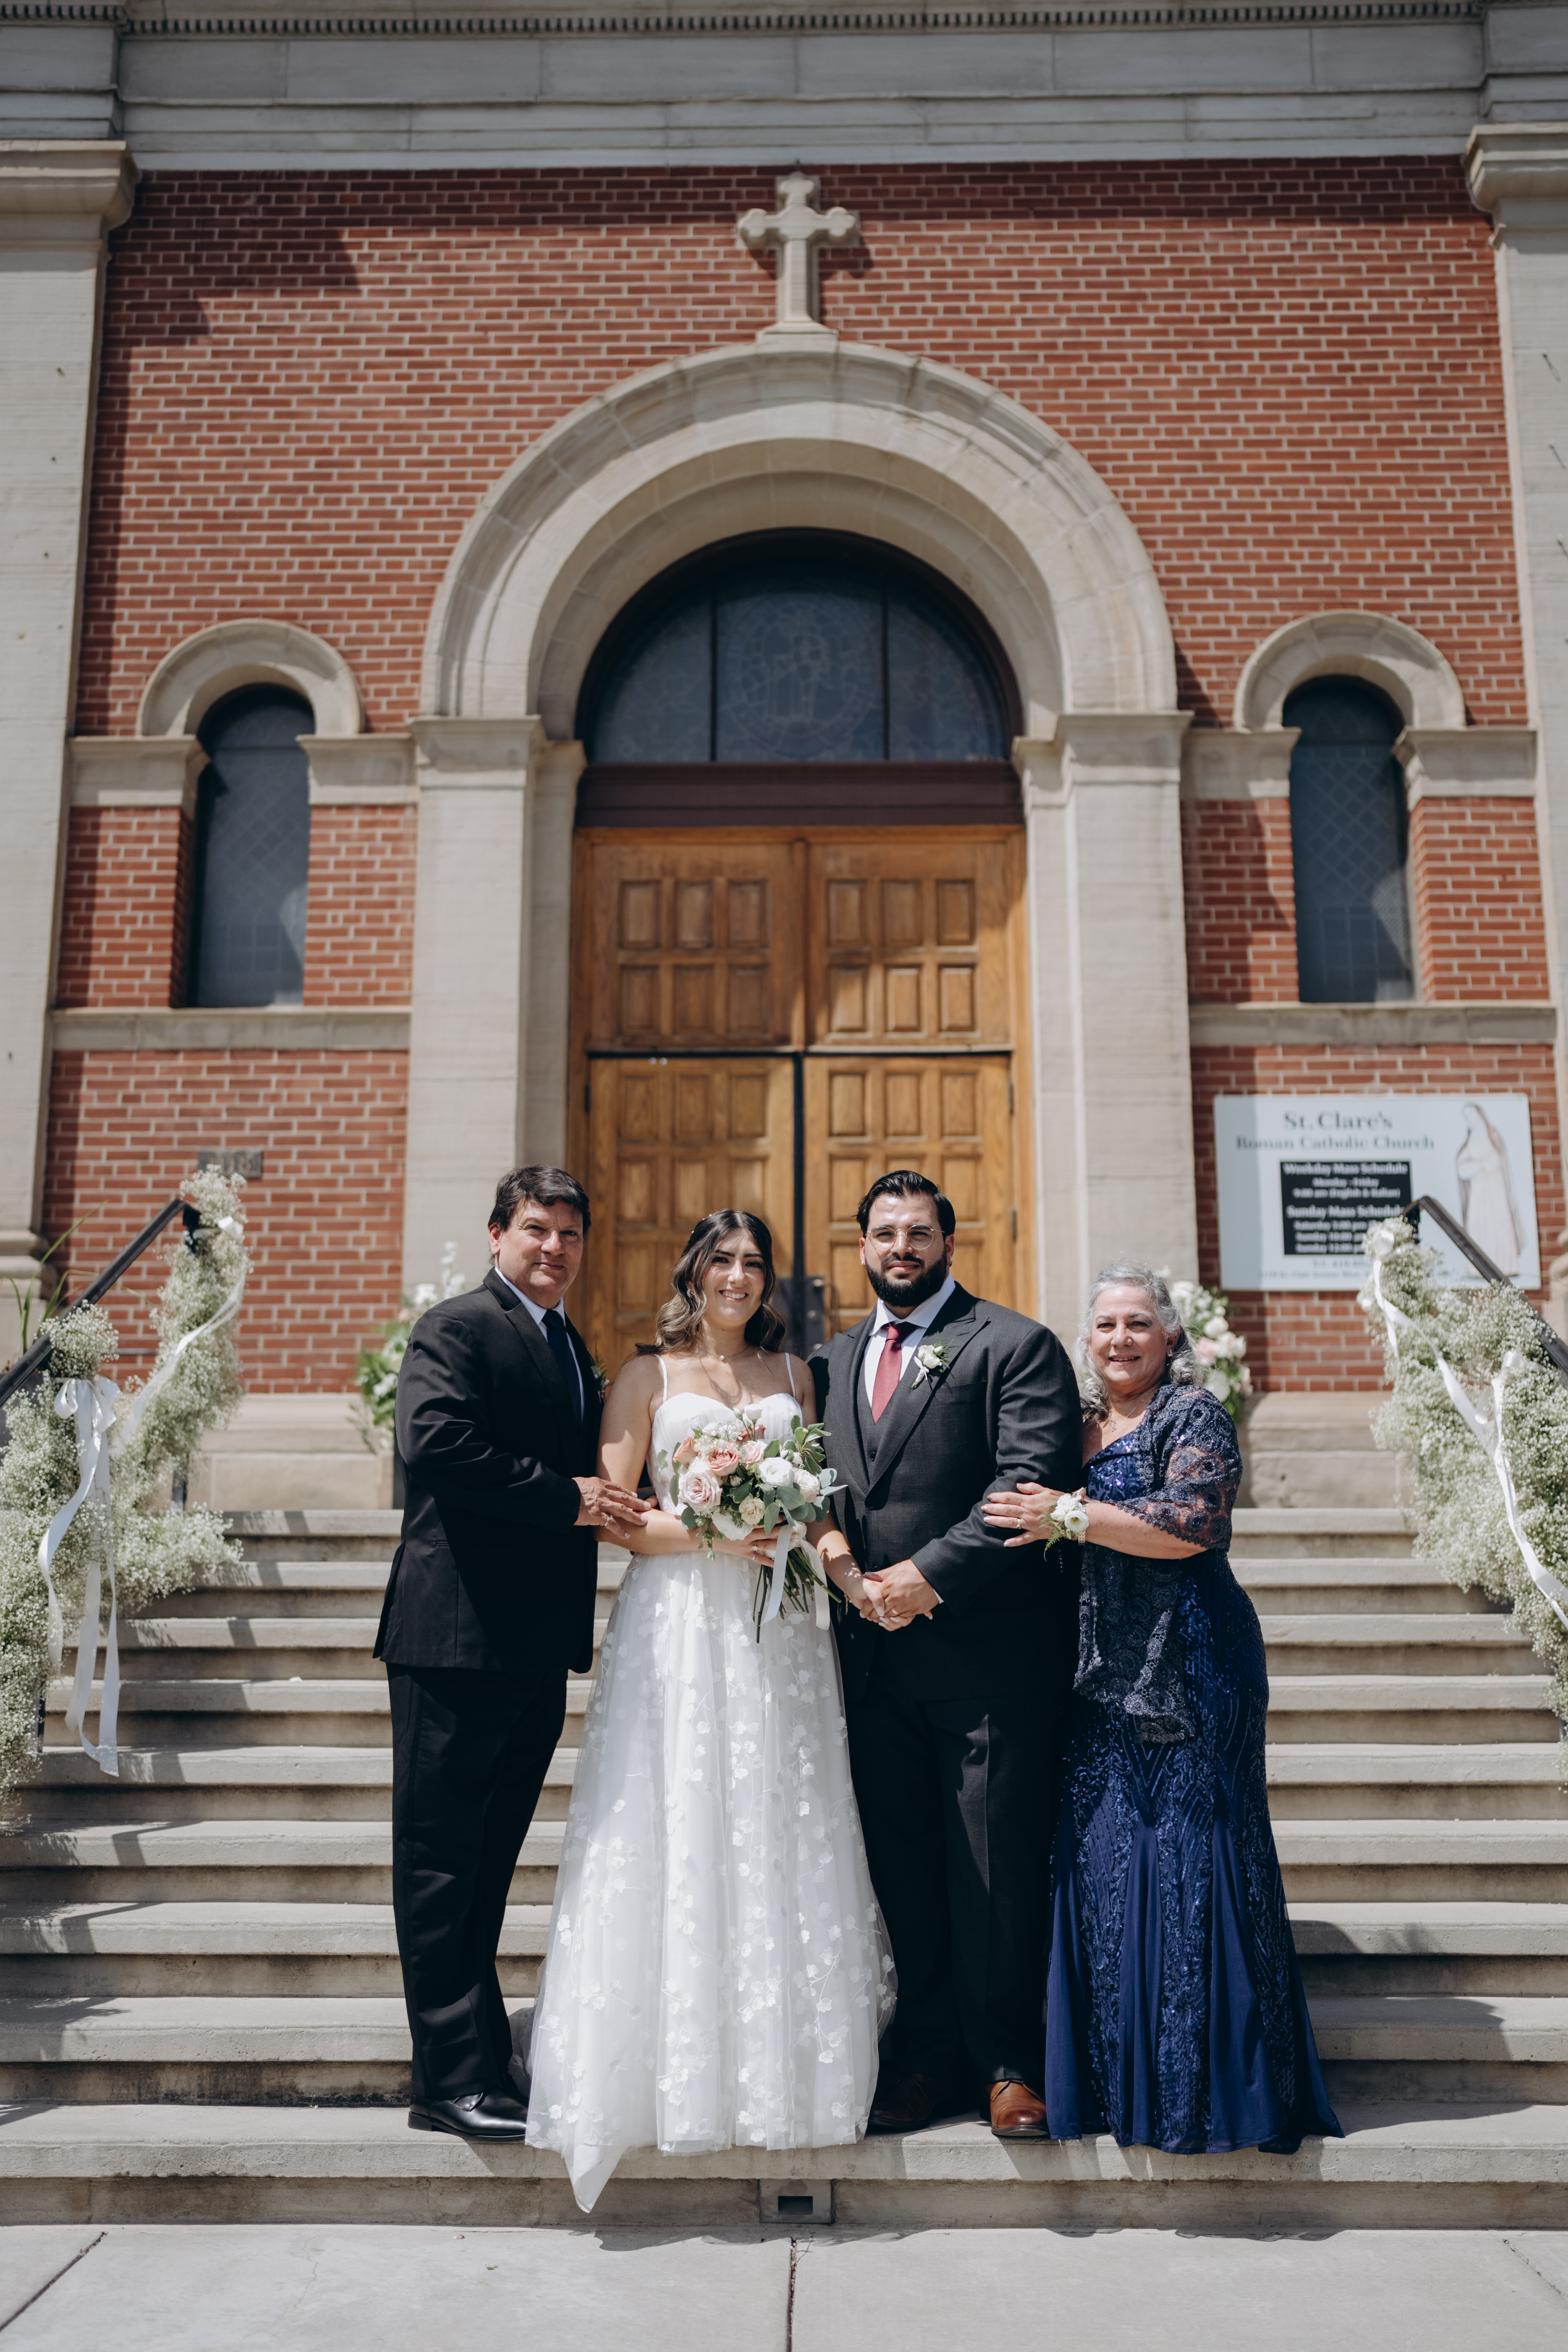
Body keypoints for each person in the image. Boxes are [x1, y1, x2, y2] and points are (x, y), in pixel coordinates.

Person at [526, 1210, 894, 2212]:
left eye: (754, 1263)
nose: (739, 1276)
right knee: (677, 1817)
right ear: (693, 1272)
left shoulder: (795, 1376)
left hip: (783, 1622)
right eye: (722, 1260)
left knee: (779, 1820)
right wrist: (715, 1533)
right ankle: (667, 2075)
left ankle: (783, 2076)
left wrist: (850, 1576)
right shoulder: (646, 1375)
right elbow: (614, 1515)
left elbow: (816, 1507)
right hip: (682, 1622)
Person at [984, 1263, 1343, 2154]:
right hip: (1095, 1678)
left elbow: (1193, 1522)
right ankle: (1119, 2086)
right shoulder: (1073, 1424)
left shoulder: (1193, 1414)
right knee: (1106, 1870)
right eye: (1105, 1324)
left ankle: (1213, 2096)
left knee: (1193, 1864)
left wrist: (1070, 1513)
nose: (1120, 1339)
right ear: (1086, 1337)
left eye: (1138, 1322)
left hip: (1194, 1667)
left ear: (1170, 1334)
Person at [375, 1164, 646, 2141]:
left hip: (530, 1647)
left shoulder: (569, 1344)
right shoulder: (456, 1328)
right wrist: (564, 1495)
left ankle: (483, 2063)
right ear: (497, 1234)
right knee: (442, 1865)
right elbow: (436, 1442)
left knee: (487, 1866)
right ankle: (447, 2081)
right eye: (536, 1229)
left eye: (570, 1234)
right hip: (454, 1638)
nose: (554, 1248)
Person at [810, 1170, 1081, 2140]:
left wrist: (926, 1576)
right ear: (861, 1248)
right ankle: (923, 2056)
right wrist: (848, 1571)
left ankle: (1009, 2063)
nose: (901, 1248)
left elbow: (1027, 1487)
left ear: (949, 1245)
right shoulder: (830, 1361)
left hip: (984, 1659)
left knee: (991, 1868)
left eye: (918, 1232)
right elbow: (821, 1487)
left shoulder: (1013, 1345)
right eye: (884, 1233)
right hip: (871, 1659)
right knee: (905, 1869)